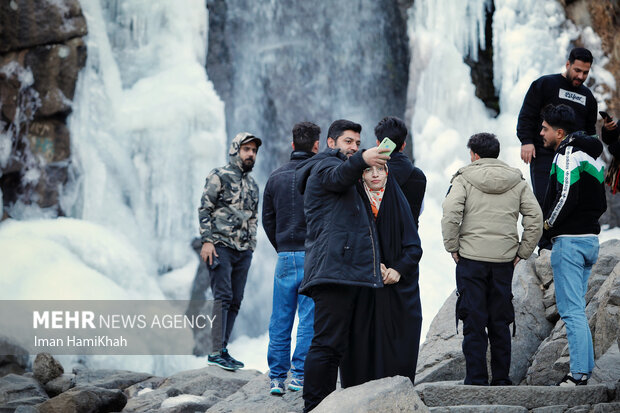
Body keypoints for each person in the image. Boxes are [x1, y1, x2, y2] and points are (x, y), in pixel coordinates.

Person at [295, 119, 390, 412]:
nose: (354, 147)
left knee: (337, 345)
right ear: (330, 142)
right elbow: (337, 176)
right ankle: (313, 406)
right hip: (332, 270)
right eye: (348, 141)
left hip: (346, 271)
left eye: (358, 144)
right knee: (327, 343)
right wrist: (362, 159)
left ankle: (329, 402)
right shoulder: (323, 167)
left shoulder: (348, 172)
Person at [441, 133, 542, 386]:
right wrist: (522, 252)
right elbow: (535, 219)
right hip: (503, 262)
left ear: (474, 154)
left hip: (471, 259)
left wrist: (453, 247)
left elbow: (451, 213)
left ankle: (475, 378)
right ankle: (501, 378)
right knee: (500, 319)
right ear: (496, 153)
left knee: (473, 319)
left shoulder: (463, 179)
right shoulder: (517, 181)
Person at [539, 104, 607, 386]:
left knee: (571, 311)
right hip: (590, 240)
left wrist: (548, 226)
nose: (540, 133)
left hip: (570, 243)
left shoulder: (567, 154)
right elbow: (599, 202)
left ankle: (578, 375)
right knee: (577, 309)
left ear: (560, 132)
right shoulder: (592, 157)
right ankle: (585, 370)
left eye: (544, 129)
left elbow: (566, 193)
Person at [339, 163, 423, 387]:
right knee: (361, 344)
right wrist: (371, 264)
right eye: (367, 170)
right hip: (363, 288)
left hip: (395, 287)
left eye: (380, 169)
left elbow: (414, 247)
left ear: (388, 172)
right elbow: (344, 243)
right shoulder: (354, 203)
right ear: (361, 175)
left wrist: (398, 269)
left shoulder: (398, 202)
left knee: (398, 344)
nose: (375, 175)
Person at [262, 122, 320, 395]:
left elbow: (267, 218)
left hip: (285, 255)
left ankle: (276, 378)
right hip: (312, 255)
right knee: (308, 318)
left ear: (292, 143)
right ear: (317, 146)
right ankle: (299, 375)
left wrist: (282, 246)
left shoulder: (275, 177)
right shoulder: (319, 173)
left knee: (281, 318)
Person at [198, 132, 261, 371]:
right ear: (235, 150)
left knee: (236, 300)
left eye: (254, 151)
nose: (251, 154)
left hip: (243, 250)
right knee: (222, 296)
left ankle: (223, 349)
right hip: (220, 246)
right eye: (246, 149)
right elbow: (205, 208)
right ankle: (215, 351)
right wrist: (207, 241)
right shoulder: (219, 176)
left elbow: (254, 217)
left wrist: (252, 245)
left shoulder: (253, 184)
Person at [374, 116, 427, 226]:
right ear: (403, 145)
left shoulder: (371, 174)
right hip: (410, 240)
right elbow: (420, 210)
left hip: (378, 241)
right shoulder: (419, 176)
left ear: (378, 143)